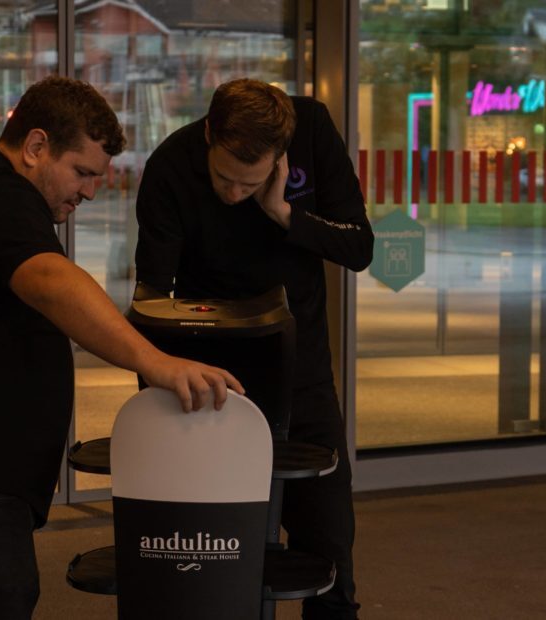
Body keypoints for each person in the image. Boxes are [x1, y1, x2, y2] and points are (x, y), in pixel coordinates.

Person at [0, 76, 242, 619]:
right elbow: (51, 280)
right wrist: (156, 362)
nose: (89, 192)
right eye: (82, 172)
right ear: (35, 147)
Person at [135, 78, 374, 619]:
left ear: (279, 160)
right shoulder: (171, 166)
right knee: (215, 550)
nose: (234, 192)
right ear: (209, 136)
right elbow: (152, 297)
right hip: (209, 377)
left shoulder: (311, 128)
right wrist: (157, 395)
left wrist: (285, 215)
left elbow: (359, 247)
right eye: (224, 177)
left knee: (330, 544)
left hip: (302, 369)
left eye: (250, 183)